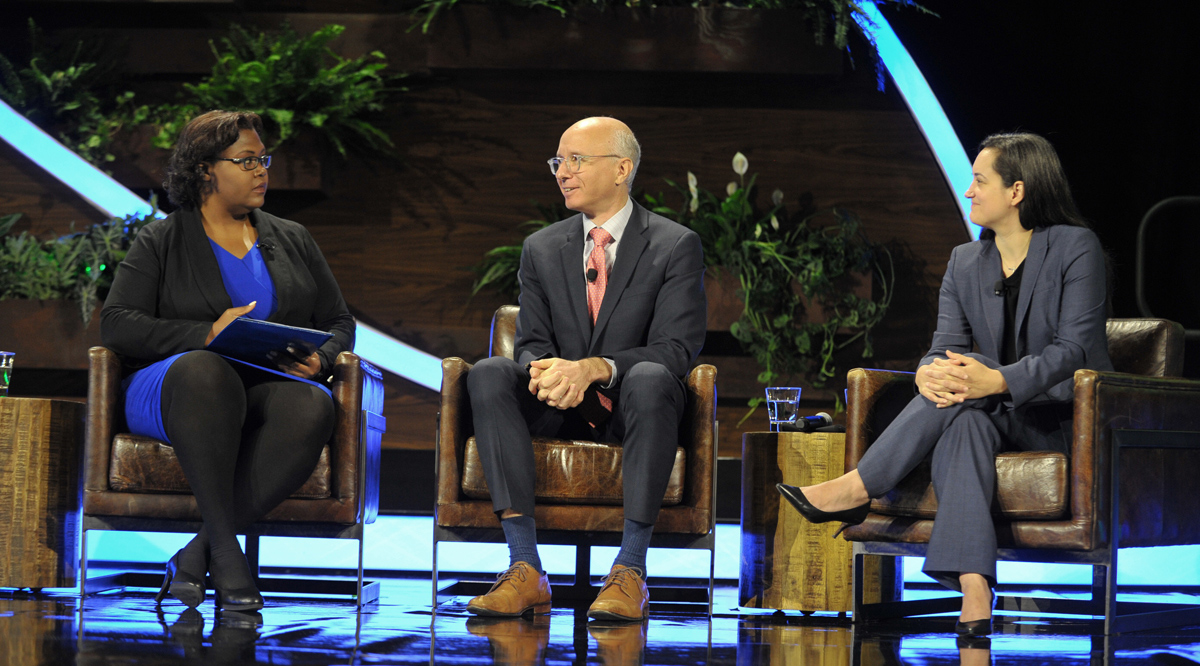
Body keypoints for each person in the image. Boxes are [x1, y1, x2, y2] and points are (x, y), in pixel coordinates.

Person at [777, 132, 1111, 637]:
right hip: (984, 415)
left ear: (1017, 191)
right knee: (964, 423)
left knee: (969, 380)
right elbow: (942, 347)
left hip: (1060, 419)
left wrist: (994, 377)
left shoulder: (1073, 247)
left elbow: (1075, 351)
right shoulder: (964, 261)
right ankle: (976, 588)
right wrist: (929, 371)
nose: (969, 191)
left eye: (980, 180)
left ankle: (858, 485)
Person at [101, 110, 355, 611]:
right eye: (246, 161)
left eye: (264, 159)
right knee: (205, 367)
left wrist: (321, 360)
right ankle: (231, 562)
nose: (262, 170)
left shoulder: (293, 237)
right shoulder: (163, 239)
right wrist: (204, 334)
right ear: (204, 169)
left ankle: (199, 553)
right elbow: (116, 323)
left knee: (312, 406)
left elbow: (340, 321)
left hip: (260, 386)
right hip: (176, 387)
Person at [464, 116, 706, 622]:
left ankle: (630, 570)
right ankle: (524, 567)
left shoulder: (674, 245)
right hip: (558, 405)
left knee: (649, 376)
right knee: (489, 371)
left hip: (631, 406)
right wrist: (548, 375)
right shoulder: (542, 247)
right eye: (558, 161)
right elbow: (530, 344)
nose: (563, 172)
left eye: (577, 160)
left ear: (622, 169)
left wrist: (594, 368)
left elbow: (676, 348)